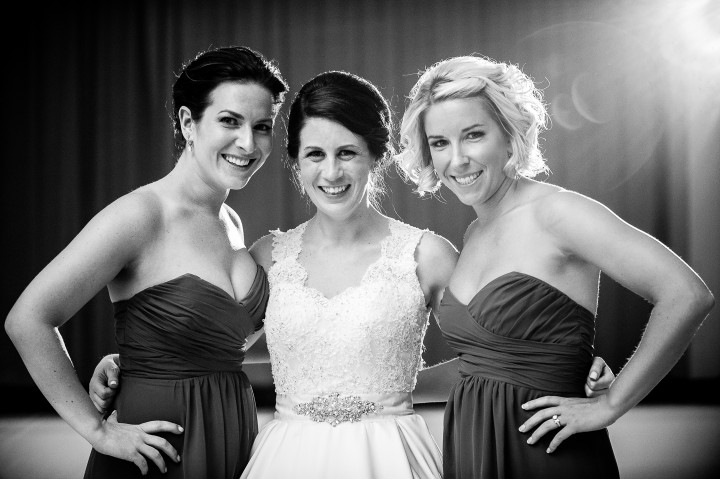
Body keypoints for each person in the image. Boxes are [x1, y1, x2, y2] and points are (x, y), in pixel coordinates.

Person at [88, 69, 615, 478]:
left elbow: (487, 358)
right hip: (286, 453)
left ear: (375, 158)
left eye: (348, 153)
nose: (332, 172)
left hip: (390, 453)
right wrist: (133, 363)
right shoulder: (268, 255)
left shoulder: (426, 254)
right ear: (295, 162)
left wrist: (567, 369)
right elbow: (223, 346)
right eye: (315, 154)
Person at [396, 54, 715, 479]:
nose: (457, 160)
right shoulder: (474, 235)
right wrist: (387, 387)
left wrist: (611, 403)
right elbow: (481, 369)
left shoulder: (557, 212)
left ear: (510, 136)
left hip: (547, 455)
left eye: (473, 135)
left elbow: (687, 294)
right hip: (475, 449)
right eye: (439, 143)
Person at [5, 45, 288, 479]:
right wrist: (97, 430)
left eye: (262, 126)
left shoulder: (229, 219)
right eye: (229, 121)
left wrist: (143, 356)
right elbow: (28, 319)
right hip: (159, 451)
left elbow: (217, 342)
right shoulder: (140, 215)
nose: (248, 143)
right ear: (188, 123)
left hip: (232, 435)